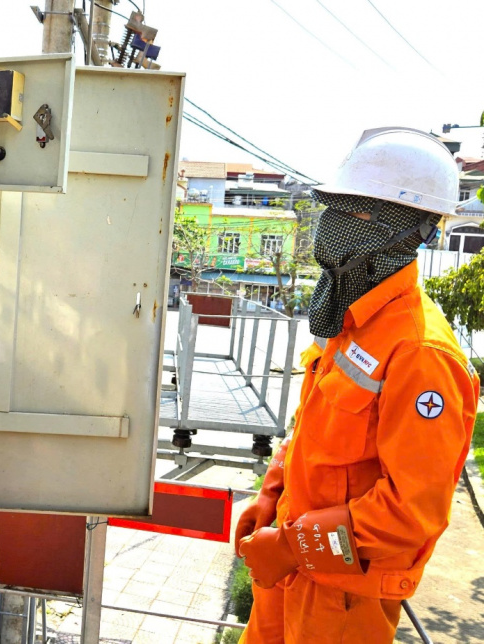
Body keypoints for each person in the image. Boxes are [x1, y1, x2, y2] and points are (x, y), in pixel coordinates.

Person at [234, 128, 480, 643]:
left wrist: (293, 546)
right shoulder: (352, 320)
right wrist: (272, 493)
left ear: (413, 231)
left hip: (342, 600)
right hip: (289, 573)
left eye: (359, 213)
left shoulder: (420, 353)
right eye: (337, 208)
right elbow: (312, 431)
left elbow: (411, 511)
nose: (334, 225)